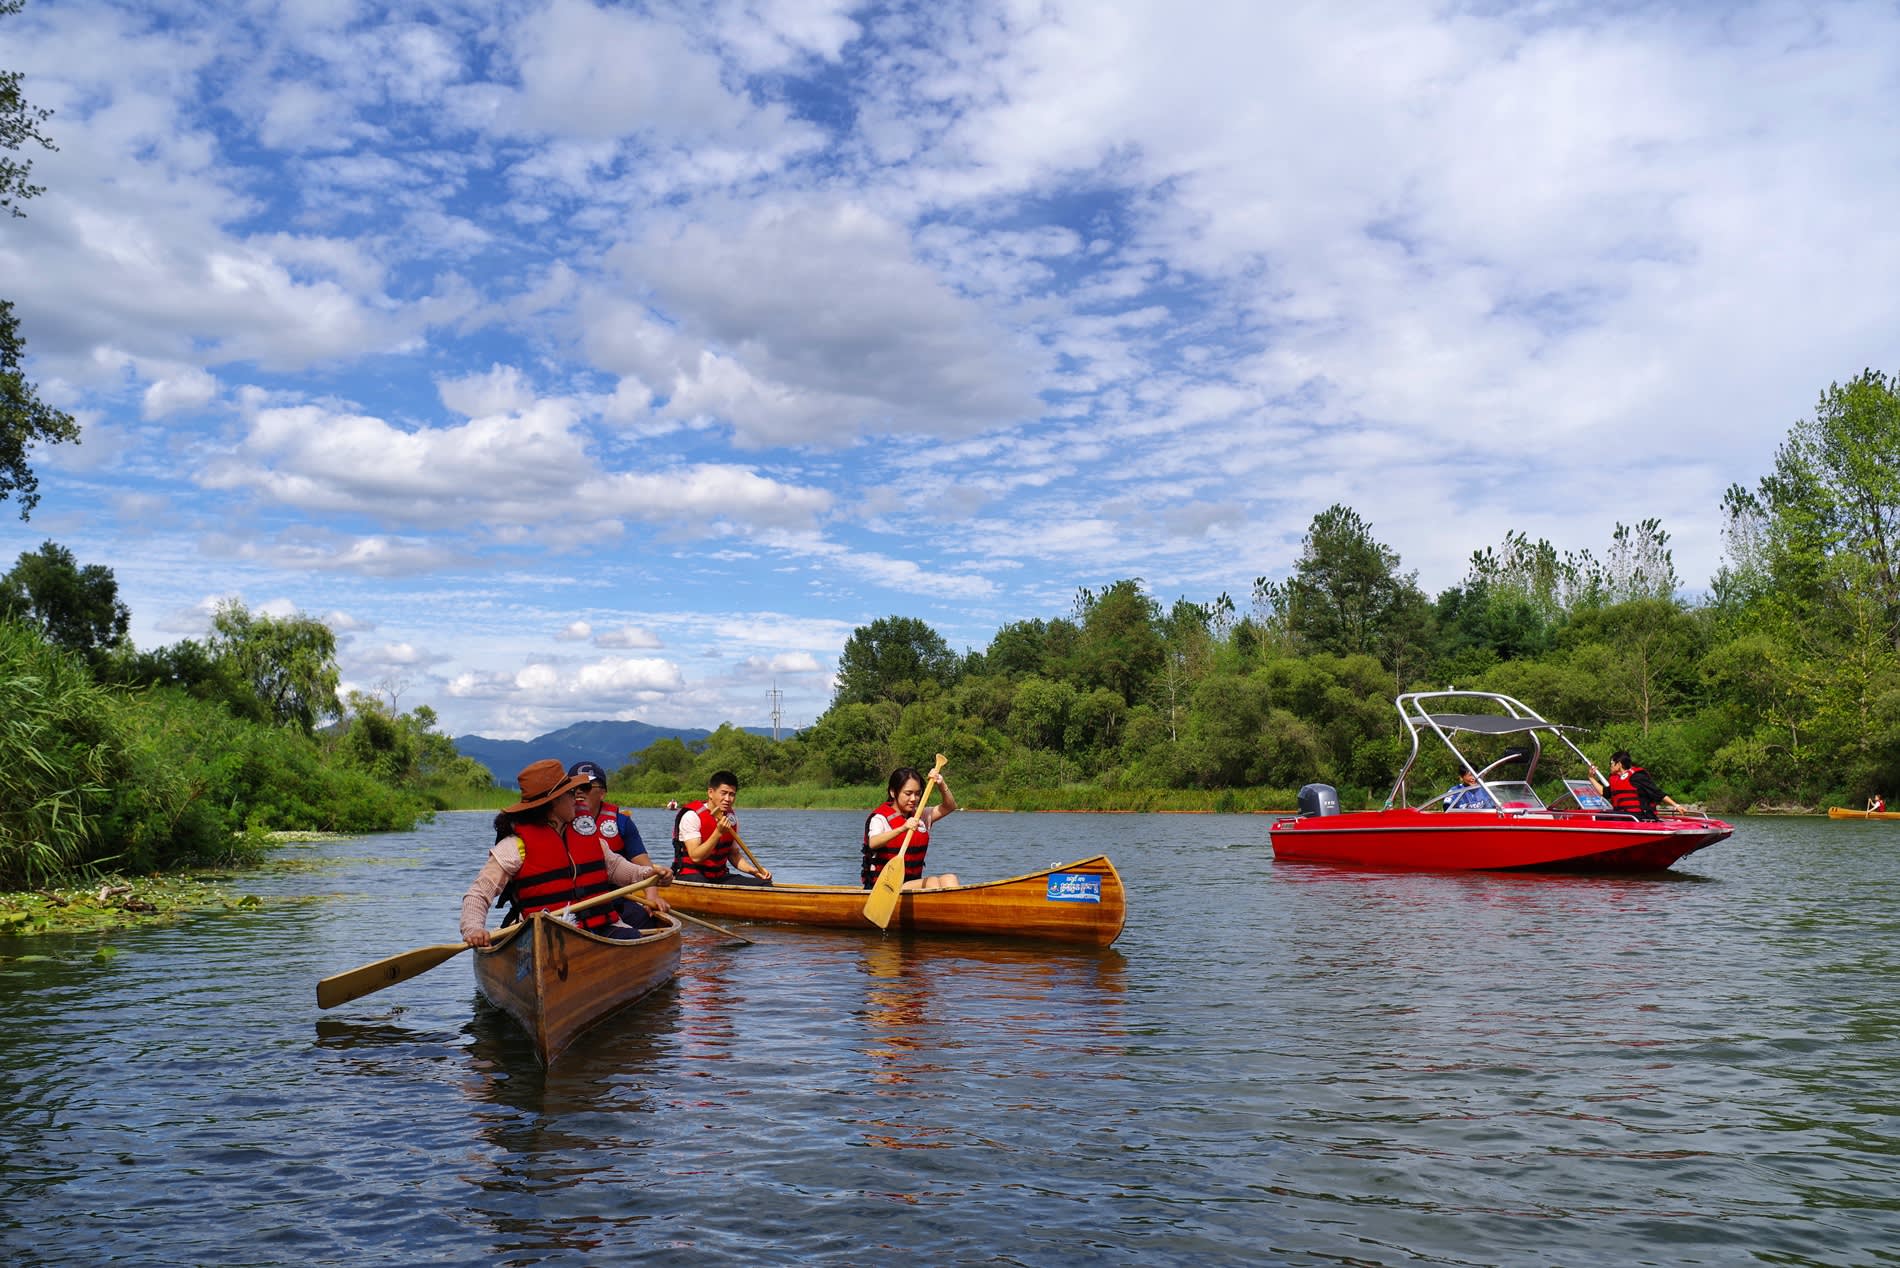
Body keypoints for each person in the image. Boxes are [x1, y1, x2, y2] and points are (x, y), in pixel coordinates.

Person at [460, 759, 667, 947]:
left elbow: (618, 868)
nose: (576, 798)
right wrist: (473, 928)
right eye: (570, 793)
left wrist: (649, 875)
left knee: (631, 938)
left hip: (603, 930)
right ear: (553, 802)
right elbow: (478, 894)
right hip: (544, 936)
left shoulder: (589, 837)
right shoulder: (514, 847)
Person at [567, 759, 672, 930]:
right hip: (570, 904)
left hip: (616, 897)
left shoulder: (621, 823)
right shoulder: (559, 823)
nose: (579, 792)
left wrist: (652, 896)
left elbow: (643, 865)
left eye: (586, 787)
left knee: (645, 921)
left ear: (602, 793)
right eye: (573, 788)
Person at [862, 765, 960, 891]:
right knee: (933, 883)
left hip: (911, 884)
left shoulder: (920, 815)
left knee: (950, 879)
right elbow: (873, 843)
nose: (913, 799)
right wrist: (902, 828)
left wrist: (941, 784)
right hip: (885, 888)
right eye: (908, 794)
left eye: (917, 794)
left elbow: (949, 806)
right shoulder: (880, 818)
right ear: (893, 792)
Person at [672, 770, 772, 886]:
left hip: (719, 876)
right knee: (706, 888)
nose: (728, 799)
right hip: (691, 876)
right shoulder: (692, 816)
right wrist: (718, 832)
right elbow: (696, 857)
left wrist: (754, 871)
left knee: (765, 884)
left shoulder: (731, 818)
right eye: (723, 793)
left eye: (732, 794)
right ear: (710, 793)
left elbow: (734, 855)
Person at [1588, 751, 1686, 820]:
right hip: (1624, 816)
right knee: (1598, 816)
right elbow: (1604, 792)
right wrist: (1591, 778)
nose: (1610, 766)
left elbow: (1657, 792)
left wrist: (1676, 805)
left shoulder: (1637, 776)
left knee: (1601, 817)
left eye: (1611, 763)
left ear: (1619, 764)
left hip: (1640, 816)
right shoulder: (1616, 779)